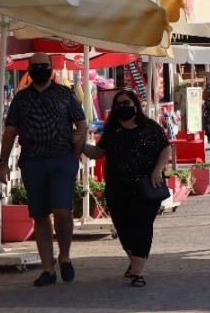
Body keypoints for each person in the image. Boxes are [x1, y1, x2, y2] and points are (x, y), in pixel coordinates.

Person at [0, 53, 87, 287]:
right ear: (28, 69)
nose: (39, 69)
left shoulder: (65, 94)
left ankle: (64, 255)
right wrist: (2, 162)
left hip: (61, 159)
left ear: (51, 68)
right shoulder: (21, 99)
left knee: (62, 210)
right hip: (33, 161)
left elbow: (82, 124)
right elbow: (10, 132)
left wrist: (75, 154)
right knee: (40, 215)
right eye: (35, 66)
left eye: (43, 66)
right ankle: (48, 269)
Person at [82, 89, 171, 287]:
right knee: (124, 228)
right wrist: (80, 144)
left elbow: (165, 148)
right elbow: (98, 153)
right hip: (117, 187)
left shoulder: (149, 127)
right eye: (119, 104)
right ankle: (134, 262)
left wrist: (158, 170)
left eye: (127, 103)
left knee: (142, 226)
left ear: (135, 105)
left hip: (147, 186)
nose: (124, 107)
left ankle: (137, 272)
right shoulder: (112, 131)